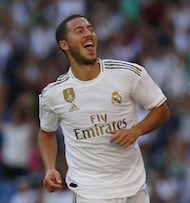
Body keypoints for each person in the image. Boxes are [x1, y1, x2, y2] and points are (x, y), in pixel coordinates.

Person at [37, 14, 171, 203]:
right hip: (90, 192)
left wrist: (136, 131)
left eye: (91, 29)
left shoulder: (127, 74)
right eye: (79, 30)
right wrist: (50, 167)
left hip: (134, 186)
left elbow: (162, 109)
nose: (88, 34)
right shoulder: (53, 94)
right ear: (64, 45)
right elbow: (46, 133)